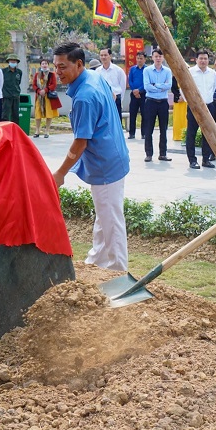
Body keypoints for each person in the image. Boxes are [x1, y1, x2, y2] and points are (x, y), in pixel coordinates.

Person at [51, 43, 130, 271]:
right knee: (104, 215)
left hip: (105, 165)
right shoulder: (94, 77)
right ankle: (96, 261)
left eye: (63, 67)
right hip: (113, 157)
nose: (58, 72)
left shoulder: (85, 96)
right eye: (56, 67)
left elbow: (80, 142)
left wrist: (60, 173)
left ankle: (118, 271)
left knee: (111, 221)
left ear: (79, 64)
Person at [184, 49, 216, 169]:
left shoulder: (212, 73)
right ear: (196, 59)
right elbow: (184, 89)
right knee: (191, 134)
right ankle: (192, 160)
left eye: (205, 58)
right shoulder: (190, 72)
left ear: (208, 60)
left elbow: (213, 88)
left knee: (208, 134)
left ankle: (206, 159)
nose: (203, 61)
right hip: (194, 107)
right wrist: (191, 102)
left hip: (209, 106)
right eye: (201, 58)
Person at [142, 48, 173, 162]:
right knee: (148, 129)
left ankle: (163, 154)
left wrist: (155, 85)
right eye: (156, 56)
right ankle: (149, 154)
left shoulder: (167, 71)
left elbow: (168, 85)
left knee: (163, 129)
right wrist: (161, 86)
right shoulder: (147, 70)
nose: (158, 58)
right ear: (152, 57)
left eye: (160, 56)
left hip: (163, 102)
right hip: (150, 101)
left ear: (163, 58)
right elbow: (147, 86)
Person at [98, 48, 127, 127]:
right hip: (103, 100)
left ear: (110, 56)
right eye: (101, 55)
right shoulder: (98, 71)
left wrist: (120, 100)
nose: (103, 57)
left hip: (116, 99)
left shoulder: (118, 70)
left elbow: (123, 87)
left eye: (105, 55)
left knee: (116, 123)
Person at [32, 58, 60, 138]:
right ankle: (37, 130)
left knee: (49, 114)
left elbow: (54, 84)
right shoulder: (37, 75)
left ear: (48, 65)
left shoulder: (52, 74)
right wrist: (38, 91)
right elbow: (34, 84)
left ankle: (47, 131)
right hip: (39, 97)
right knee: (38, 113)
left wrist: (45, 90)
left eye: (45, 64)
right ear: (40, 65)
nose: (44, 65)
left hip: (48, 97)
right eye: (43, 64)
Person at [127, 52, 147, 139]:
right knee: (132, 114)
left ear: (145, 59)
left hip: (144, 94)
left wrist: (139, 90)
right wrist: (134, 91)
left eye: (141, 58)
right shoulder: (132, 69)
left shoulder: (147, 70)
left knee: (144, 114)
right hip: (134, 94)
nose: (139, 60)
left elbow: (146, 82)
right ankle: (132, 133)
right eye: (138, 58)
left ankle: (144, 133)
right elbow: (130, 80)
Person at [2, 54, 23, 122]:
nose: (13, 62)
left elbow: (18, 83)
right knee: (5, 115)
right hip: (6, 96)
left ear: (17, 62)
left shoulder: (19, 72)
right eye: (11, 60)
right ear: (8, 61)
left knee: (16, 115)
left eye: (14, 61)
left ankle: (15, 131)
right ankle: (5, 131)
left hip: (16, 96)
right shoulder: (3, 71)